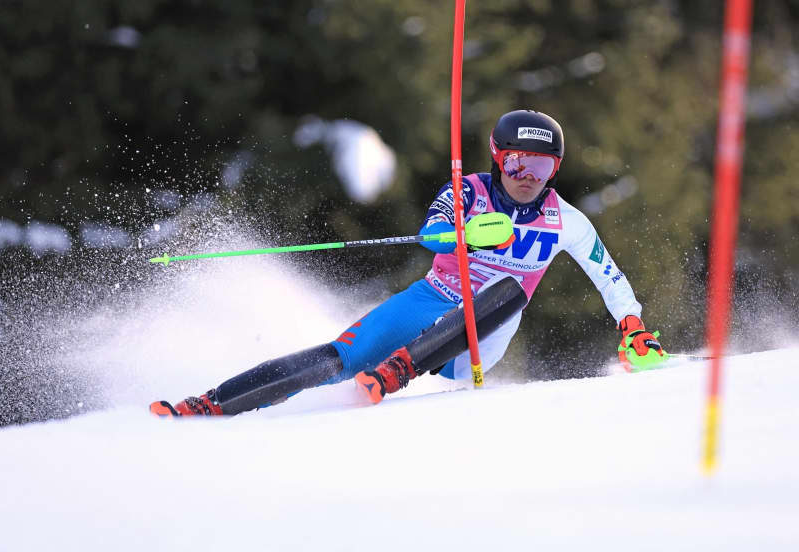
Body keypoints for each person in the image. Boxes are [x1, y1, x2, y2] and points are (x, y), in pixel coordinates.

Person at [149, 109, 667, 417]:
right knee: (337, 357)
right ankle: (215, 402)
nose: (526, 175)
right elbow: (433, 233)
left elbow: (609, 276)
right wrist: (463, 231)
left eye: (540, 165)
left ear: (553, 169)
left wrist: (632, 325)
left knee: (509, 291)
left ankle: (400, 370)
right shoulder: (467, 191)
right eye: (516, 162)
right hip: (430, 300)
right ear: (497, 156)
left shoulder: (566, 221)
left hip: (482, 333)